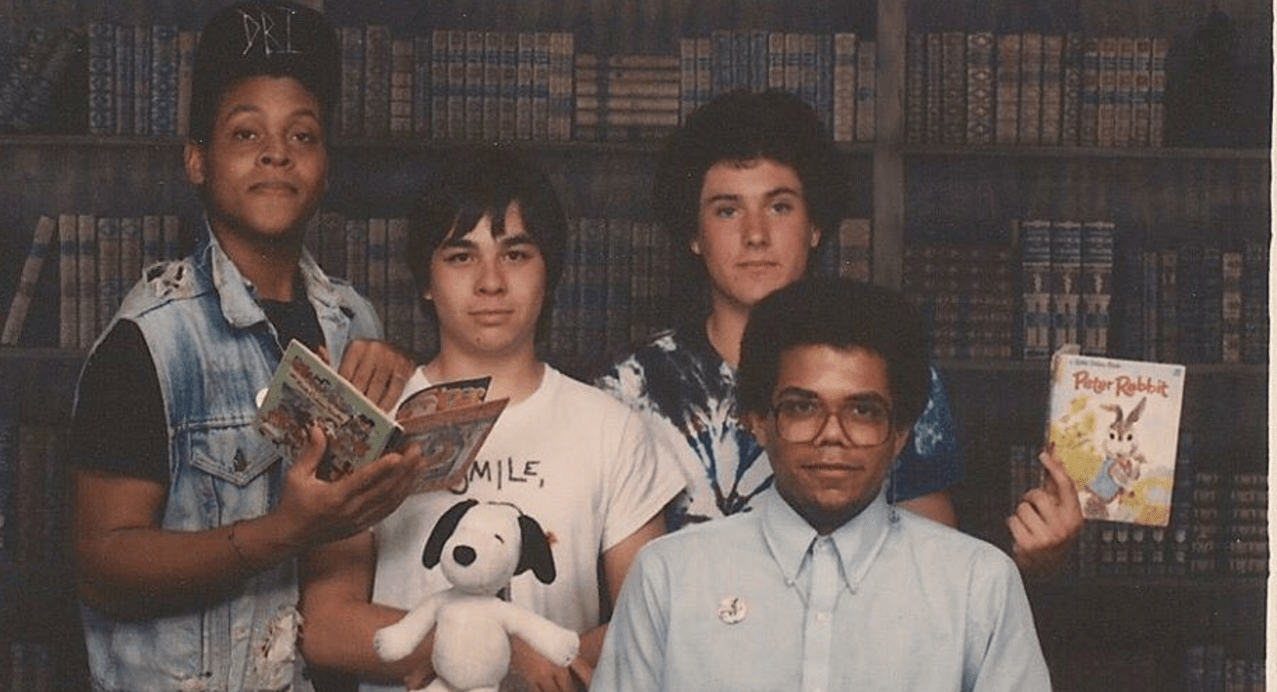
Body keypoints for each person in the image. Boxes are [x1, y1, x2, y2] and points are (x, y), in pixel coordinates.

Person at [68, 0, 422, 692]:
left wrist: (410, 413)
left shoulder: (356, 322)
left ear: (325, 166)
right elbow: (101, 570)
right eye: (244, 133)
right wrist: (282, 531)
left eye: (303, 135)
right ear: (197, 161)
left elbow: (353, 560)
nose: (276, 153)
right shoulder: (149, 341)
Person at [595, 89, 1081, 575]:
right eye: (727, 210)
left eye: (779, 207)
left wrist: (1036, 565)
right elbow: (632, 601)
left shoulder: (889, 365)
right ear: (693, 234)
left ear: (815, 225)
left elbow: (934, 574)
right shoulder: (631, 389)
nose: (756, 234)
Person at [299, 145, 686, 692]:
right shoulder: (373, 418)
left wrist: (545, 665)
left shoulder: (611, 428)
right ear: (426, 280)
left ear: (550, 273)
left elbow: (646, 615)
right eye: (461, 256)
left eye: (516, 255)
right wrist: (482, 646)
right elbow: (325, 626)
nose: (490, 282)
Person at [591, 277, 1053, 692]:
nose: (832, 434)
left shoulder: (978, 585)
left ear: (901, 434)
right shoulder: (668, 577)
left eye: (863, 411)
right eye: (802, 407)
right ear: (757, 422)